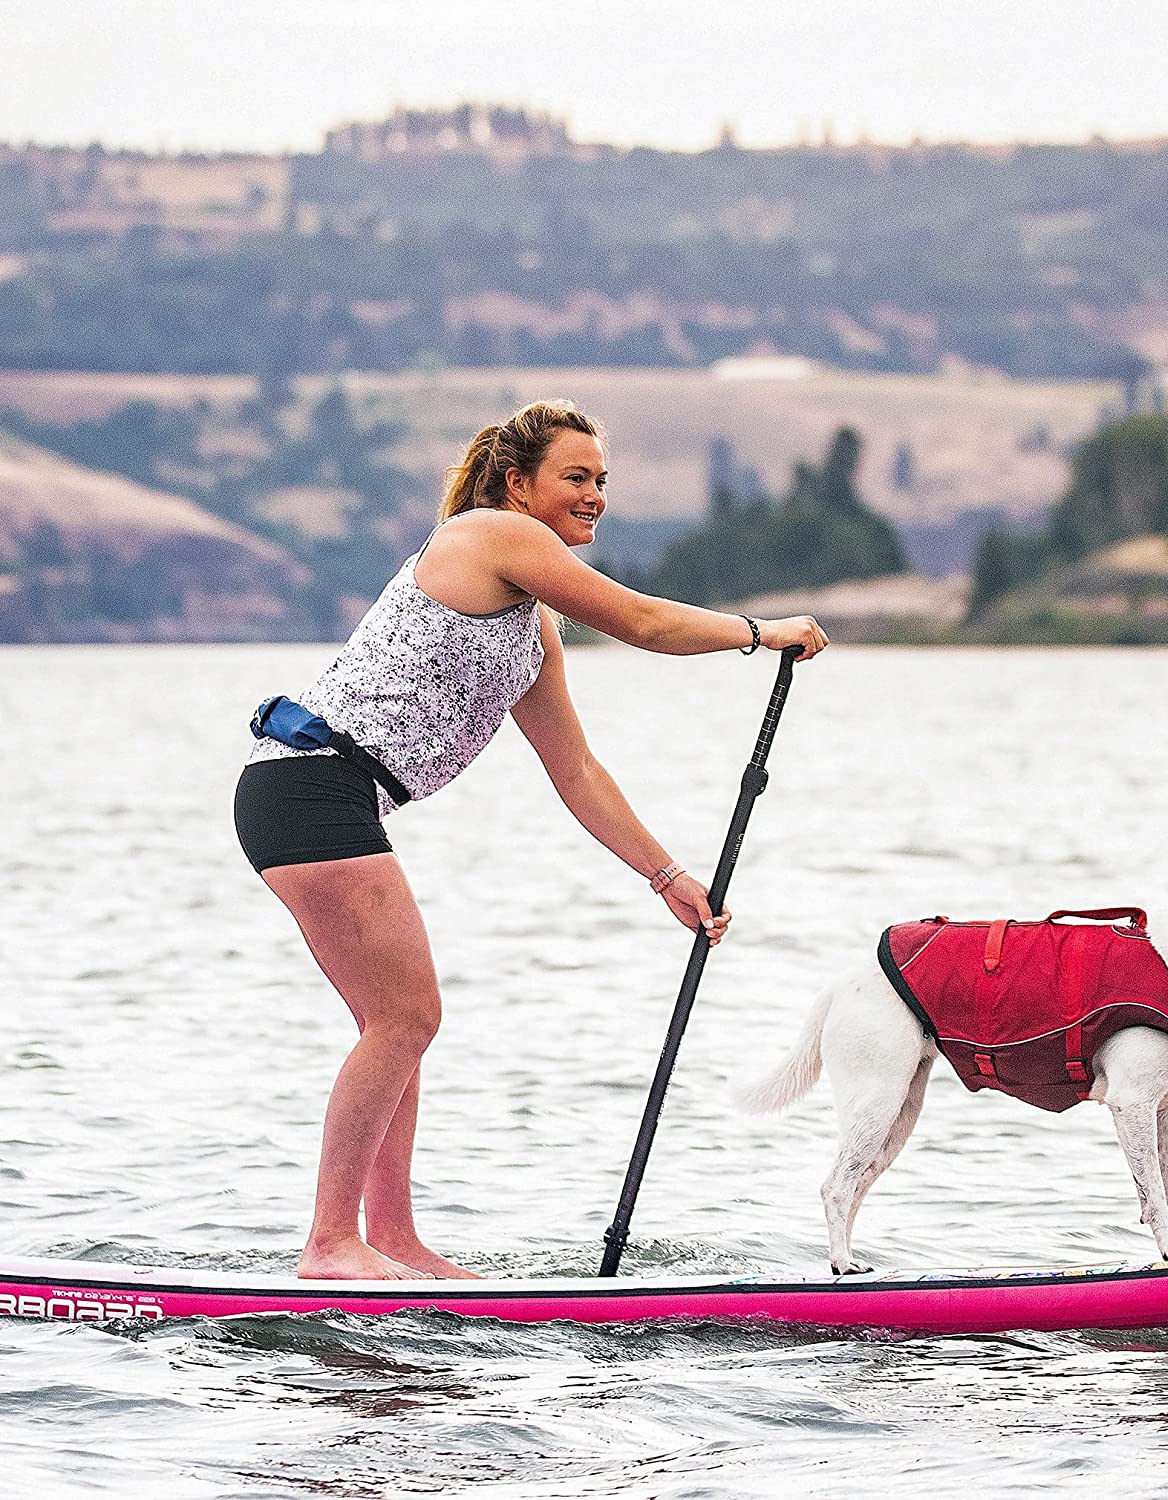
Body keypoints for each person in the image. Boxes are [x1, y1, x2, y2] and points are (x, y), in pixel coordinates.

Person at [233, 401, 827, 1281]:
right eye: (575, 479)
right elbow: (644, 624)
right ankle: (330, 1243)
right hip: (309, 785)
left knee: (397, 1025)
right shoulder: (485, 535)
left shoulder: (530, 627)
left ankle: (390, 1241)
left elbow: (575, 770)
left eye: (601, 482)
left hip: (325, 797)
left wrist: (665, 876)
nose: (594, 497)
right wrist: (759, 632)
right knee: (405, 1018)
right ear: (519, 484)